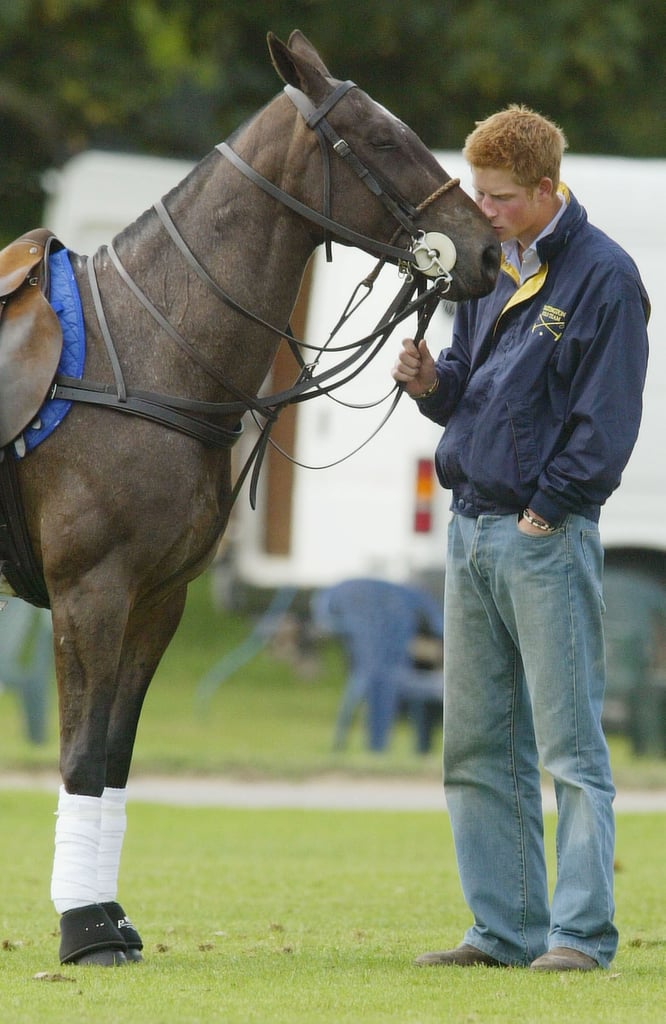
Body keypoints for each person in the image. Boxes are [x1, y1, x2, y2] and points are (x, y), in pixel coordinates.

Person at [392, 105, 650, 972]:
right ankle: (503, 933)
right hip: (470, 532)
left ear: (545, 189)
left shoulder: (606, 277)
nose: (483, 210)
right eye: (476, 192)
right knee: (476, 747)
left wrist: (550, 509)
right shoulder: (493, 265)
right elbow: (472, 385)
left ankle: (580, 936)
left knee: (570, 748)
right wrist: (432, 385)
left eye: (499, 197)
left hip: (544, 535)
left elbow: (605, 421)